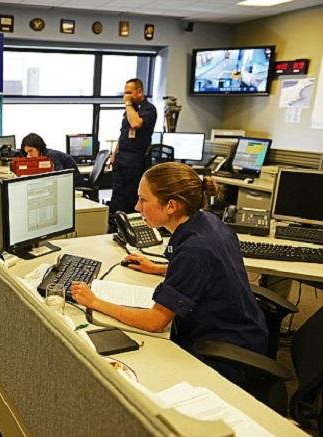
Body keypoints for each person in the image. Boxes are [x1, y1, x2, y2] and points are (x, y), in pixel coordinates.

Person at [71, 162, 268, 386]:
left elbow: (155, 321)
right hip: (248, 332)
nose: (137, 207)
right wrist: (158, 268)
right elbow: (210, 268)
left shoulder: (194, 250)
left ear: (171, 206)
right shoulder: (207, 222)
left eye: (143, 200)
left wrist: (95, 302)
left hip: (226, 353)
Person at [108, 78, 157, 231]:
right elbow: (123, 133)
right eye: (125, 93)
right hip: (121, 160)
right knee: (116, 198)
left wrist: (128, 104)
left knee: (130, 199)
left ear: (140, 92)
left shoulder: (148, 109)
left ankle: (130, 231)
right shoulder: (130, 109)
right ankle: (113, 228)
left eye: (129, 92)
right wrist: (114, 153)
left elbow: (136, 123)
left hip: (135, 162)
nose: (126, 96)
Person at [21, 133, 85, 186]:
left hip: (75, 186)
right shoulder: (43, 156)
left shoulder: (50, 156)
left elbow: (59, 178)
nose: (29, 155)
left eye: (30, 151)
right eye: (27, 152)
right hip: (68, 184)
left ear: (38, 147)